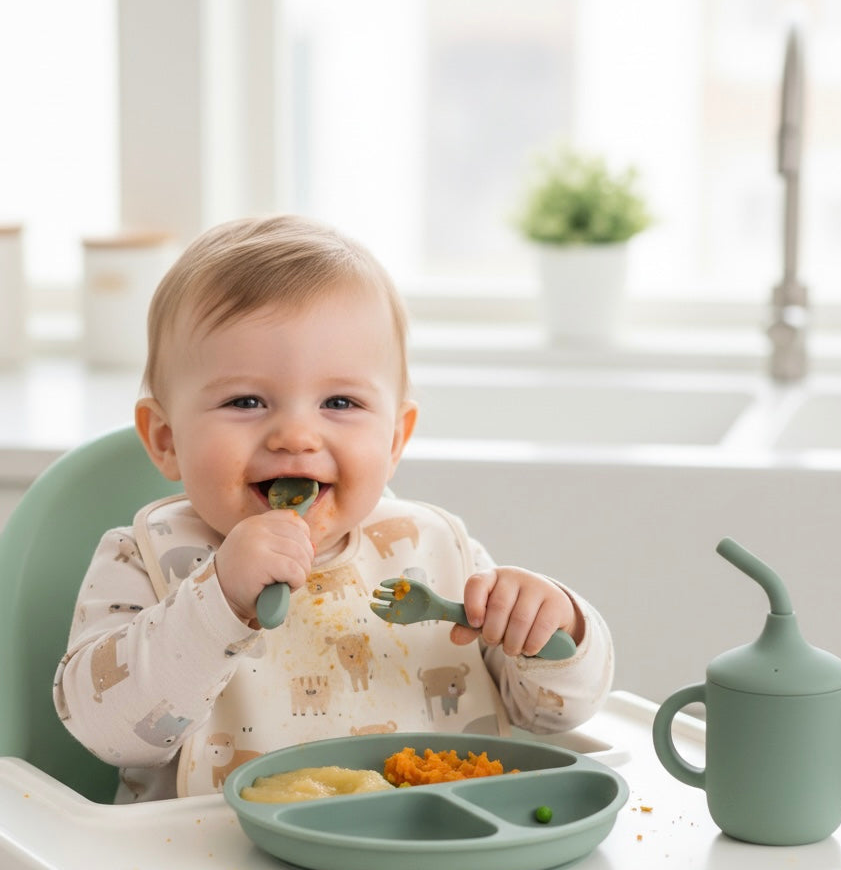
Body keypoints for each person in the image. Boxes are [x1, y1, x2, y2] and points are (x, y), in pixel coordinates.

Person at [53, 215, 614, 802]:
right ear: (166, 439)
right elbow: (110, 734)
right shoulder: (141, 558)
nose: (296, 434)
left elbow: (554, 717)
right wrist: (218, 598)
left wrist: (555, 626)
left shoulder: (433, 553)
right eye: (246, 401)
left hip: (431, 851)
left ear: (395, 440)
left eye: (340, 401)